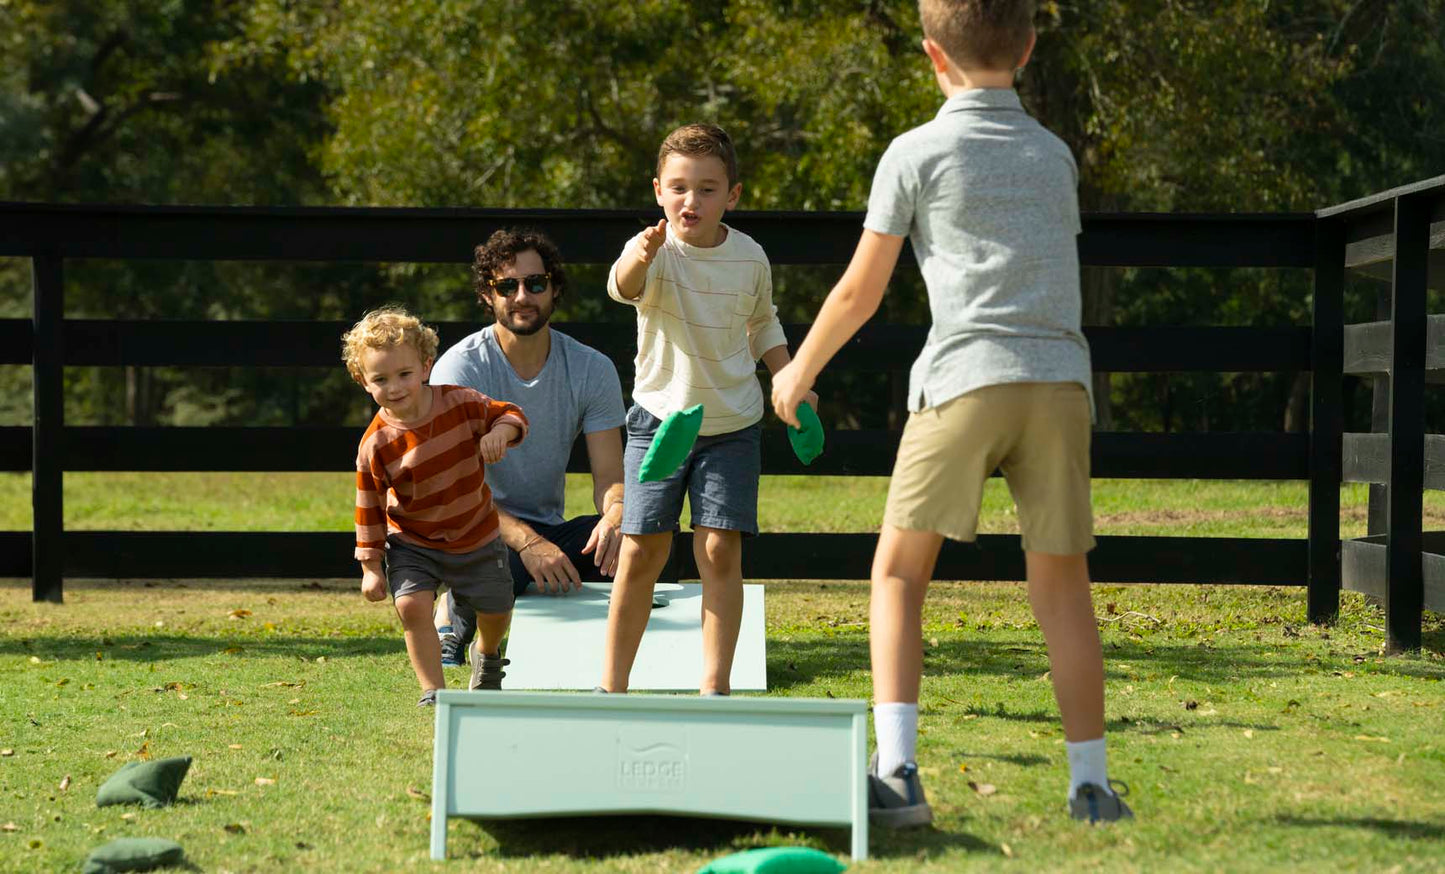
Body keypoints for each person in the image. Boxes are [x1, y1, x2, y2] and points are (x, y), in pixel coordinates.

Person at [770, 0, 1132, 826]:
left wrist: (796, 375)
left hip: (964, 378)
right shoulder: (1054, 156)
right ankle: (1091, 789)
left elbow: (860, 292)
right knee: (1062, 589)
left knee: (899, 574)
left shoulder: (915, 152)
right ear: (1028, 48)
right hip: (1058, 385)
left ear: (934, 55)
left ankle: (898, 773)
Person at [598, 123, 815, 695]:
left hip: (732, 426)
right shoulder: (650, 250)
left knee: (719, 551)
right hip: (657, 421)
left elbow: (762, 322)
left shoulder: (750, 257)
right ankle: (611, 687)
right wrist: (639, 256)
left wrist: (789, 376)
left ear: (732, 196)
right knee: (643, 550)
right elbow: (622, 287)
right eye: (678, 187)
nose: (690, 200)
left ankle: (714, 687)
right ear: (658, 191)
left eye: (707, 189)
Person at [428, 228, 627, 667]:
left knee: (642, 536)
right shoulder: (459, 369)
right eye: (507, 286)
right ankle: (451, 615)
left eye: (536, 283)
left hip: (548, 530)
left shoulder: (592, 369)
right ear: (487, 295)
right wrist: (527, 543)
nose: (522, 296)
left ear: (554, 289)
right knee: (503, 564)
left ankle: (635, 641)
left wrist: (617, 514)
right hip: (474, 529)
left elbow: (611, 479)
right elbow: (455, 493)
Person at [344, 306, 529, 703]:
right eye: (380, 379)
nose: (395, 387)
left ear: (426, 366)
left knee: (497, 608)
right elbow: (369, 509)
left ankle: (487, 653)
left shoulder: (460, 403)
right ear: (363, 381)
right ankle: (434, 691)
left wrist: (500, 433)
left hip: (475, 534)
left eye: (404, 374)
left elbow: (512, 415)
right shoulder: (375, 445)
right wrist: (371, 567)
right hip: (414, 541)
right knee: (411, 607)